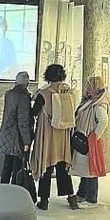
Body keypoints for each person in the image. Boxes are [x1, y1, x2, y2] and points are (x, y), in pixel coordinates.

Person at [30, 64, 78, 210]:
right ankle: (71, 198)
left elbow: (33, 112)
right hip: (63, 135)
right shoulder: (69, 92)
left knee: (46, 166)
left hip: (47, 135)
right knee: (63, 167)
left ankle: (44, 201)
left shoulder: (43, 94)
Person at [71, 76, 110, 205]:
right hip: (84, 139)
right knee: (86, 169)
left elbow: (103, 121)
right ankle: (82, 194)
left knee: (91, 169)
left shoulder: (100, 104)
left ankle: (90, 197)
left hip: (90, 141)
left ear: (95, 88)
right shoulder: (90, 100)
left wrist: (94, 136)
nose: (87, 88)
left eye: (89, 86)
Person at [0, 71, 33, 184]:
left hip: (7, 134)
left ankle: (3, 187)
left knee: (7, 164)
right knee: (18, 167)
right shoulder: (23, 97)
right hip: (17, 137)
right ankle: (15, 191)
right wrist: (27, 141)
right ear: (27, 83)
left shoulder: (9, 94)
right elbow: (23, 121)